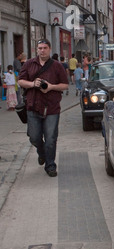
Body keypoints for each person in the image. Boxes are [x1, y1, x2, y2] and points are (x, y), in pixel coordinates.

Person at [18, 39, 69, 177]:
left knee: (51, 138)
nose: (42, 50)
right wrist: (33, 83)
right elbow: (20, 81)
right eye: (40, 48)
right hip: (33, 106)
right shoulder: (29, 64)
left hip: (51, 108)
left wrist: (51, 87)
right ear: (37, 49)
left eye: (45, 48)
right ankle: (42, 153)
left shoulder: (57, 66)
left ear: (49, 49)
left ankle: (50, 165)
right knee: (34, 137)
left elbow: (65, 85)